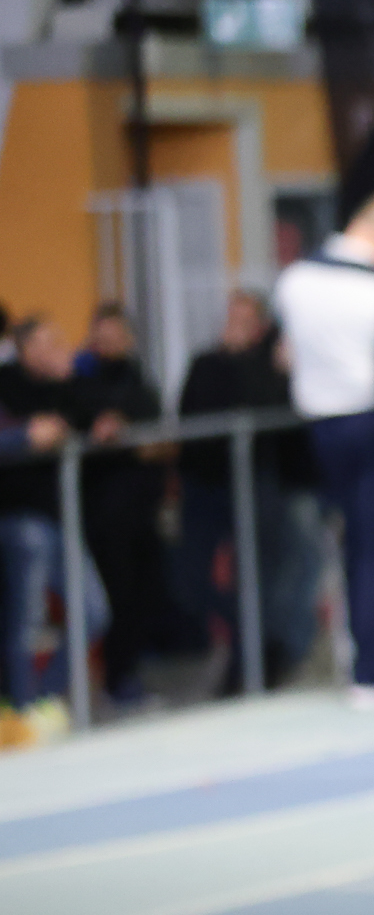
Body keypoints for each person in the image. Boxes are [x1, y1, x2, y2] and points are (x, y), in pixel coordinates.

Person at [273, 188, 374, 706]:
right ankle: (371, 672)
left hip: (321, 428)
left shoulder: (294, 280)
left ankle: (356, 659)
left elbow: (285, 354)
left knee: (349, 546)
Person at [177, 289, 315, 695]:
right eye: (230, 317)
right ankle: (251, 645)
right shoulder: (205, 363)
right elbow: (190, 413)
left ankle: (258, 660)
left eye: (243, 320)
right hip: (206, 486)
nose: (233, 326)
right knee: (190, 580)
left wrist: (248, 361)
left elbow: (263, 408)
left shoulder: (272, 366)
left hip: (258, 486)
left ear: (260, 327)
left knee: (264, 576)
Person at [0, 316, 108, 735]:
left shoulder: (67, 385)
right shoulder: (7, 385)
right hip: (20, 519)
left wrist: (69, 386)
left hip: (60, 517)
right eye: (43, 343)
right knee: (26, 620)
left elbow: (91, 416)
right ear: (24, 349)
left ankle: (41, 700)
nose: (54, 350)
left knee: (93, 612)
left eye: (57, 341)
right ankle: (21, 711)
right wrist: (26, 436)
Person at [71, 304, 167, 711]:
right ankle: (114, 679)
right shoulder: (80, 383)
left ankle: (128, 675)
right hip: (103, 513)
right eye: (102, 335)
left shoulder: (139, 380)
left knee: (145, 593)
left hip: (142, 508)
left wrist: (134, 440)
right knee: (113, 598)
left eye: (115, 334)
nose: (109, 342)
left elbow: (158, 440)